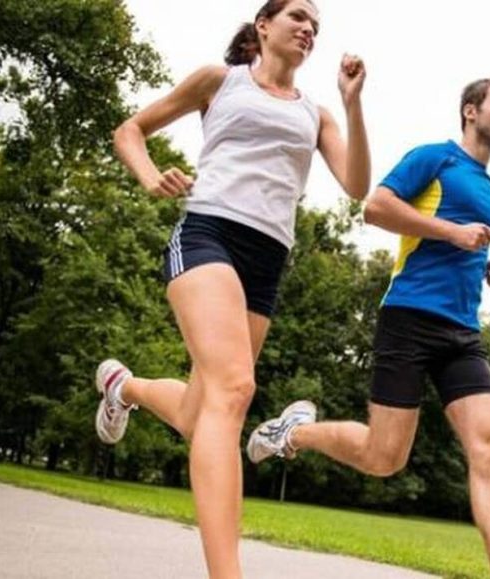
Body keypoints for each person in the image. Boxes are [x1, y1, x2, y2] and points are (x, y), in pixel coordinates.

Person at [96, 1, 369, 577]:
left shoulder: (316, 114)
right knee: (235, 388)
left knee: (204, 415)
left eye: (316, 25)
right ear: (263, 26)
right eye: (297, 15)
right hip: (208, 235)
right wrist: (151, 177)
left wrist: (352, 103)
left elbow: (356, 185)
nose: (308, 28)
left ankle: (125, 387)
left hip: (268, 260)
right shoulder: (220, 82)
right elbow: (130, 132)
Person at [247, 76, 490, 579]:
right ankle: (296, 432)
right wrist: (454, 233)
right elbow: (375, 208)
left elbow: (453, 245)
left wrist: (484, 264)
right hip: (410, 319)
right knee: (384, 457)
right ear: (469, 111)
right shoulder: (434, 157)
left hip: (463, 331)